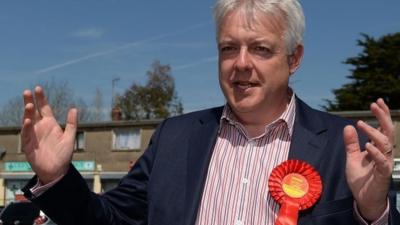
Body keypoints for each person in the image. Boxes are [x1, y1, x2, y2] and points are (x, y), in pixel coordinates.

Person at [21, 0, 399, 224]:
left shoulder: (343, 145)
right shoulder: (174, 137)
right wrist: (56, 177)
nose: (241, 64)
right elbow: (107, 218)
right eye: (229, 48)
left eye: (261, 49)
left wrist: (372, 212)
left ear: (294, 58)